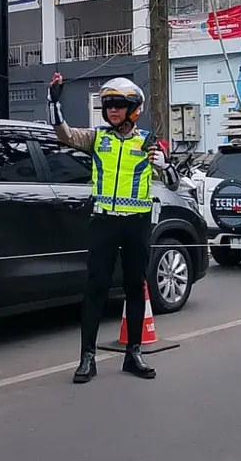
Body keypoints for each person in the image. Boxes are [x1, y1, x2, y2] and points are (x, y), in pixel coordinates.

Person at [47, 72, 165, 384]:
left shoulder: (149, 142)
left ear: (134, 109)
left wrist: (163, 164)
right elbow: (65, 135)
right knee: (95, 288)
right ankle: (87, 357)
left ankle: (134, 353)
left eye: (119, 105)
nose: (112, 110)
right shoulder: (98, 138)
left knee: (135, 287)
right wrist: (53, 102)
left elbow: (174, 180)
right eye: (108, 105)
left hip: (137, 225)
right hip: (104, 223)